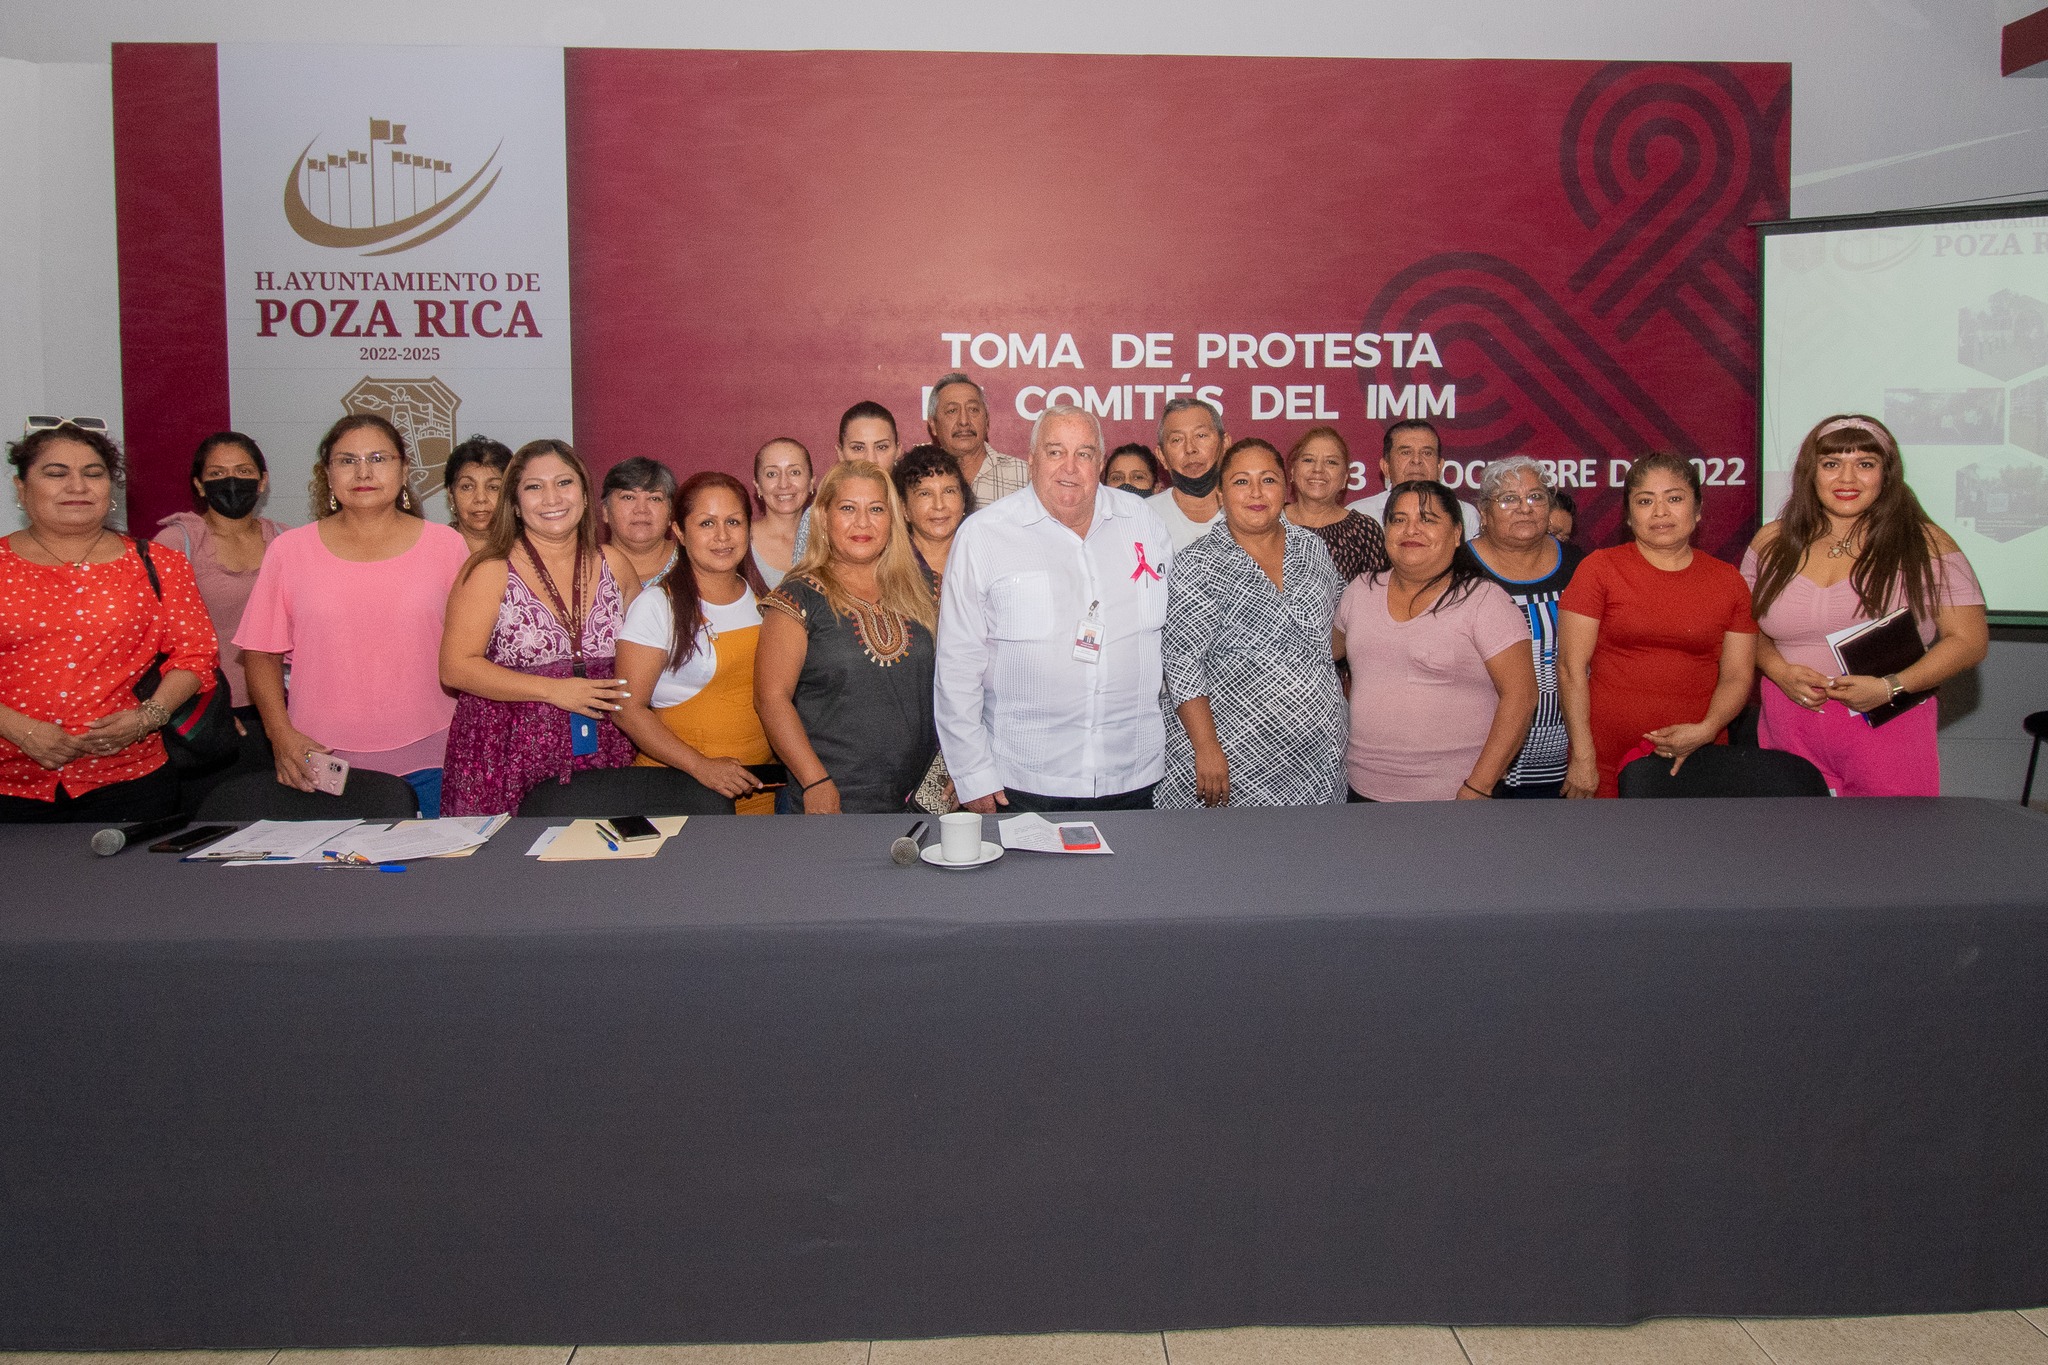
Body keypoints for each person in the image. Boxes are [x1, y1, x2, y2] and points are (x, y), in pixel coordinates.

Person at [935, 404, 1175, 813]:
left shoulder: (1144, 523)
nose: (1070, 467)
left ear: (1100, 462)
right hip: (1024, 779)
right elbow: (957, 666)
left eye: (1084, 453)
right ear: (1031, 459)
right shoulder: (984, 536)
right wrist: (971, 773)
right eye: (1055, 452)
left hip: (1134, 774)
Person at [237, 414, 471, 816]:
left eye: (378, 458)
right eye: (347, 461)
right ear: (328, 474)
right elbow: (260, 653)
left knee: (436, 857)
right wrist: (280, 735)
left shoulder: (446, 546)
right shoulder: (290, 551)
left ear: (404, 470)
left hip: (437, 754)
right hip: (320, 758)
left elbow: (472, 651)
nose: (363, 472)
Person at [1742, 413, 1988, 795]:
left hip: (1888, 723)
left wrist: (1891, 687)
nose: (1847, 479)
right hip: (1789, 722)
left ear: (1886, 475)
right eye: (1831, 464)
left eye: (1865, 464)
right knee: (1792, 832)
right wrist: (1779, 671)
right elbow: (1742, 627)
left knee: (1890, 833)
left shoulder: (1925, 542)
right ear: (1810, 473)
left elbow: (1969, 641)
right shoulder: (1772, 541)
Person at [0, 423, 218, 822]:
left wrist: (148, 717)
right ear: (21, 487)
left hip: (131, 782)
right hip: (9, 785)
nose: (77, 486)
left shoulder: (159, 564)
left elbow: (196, 655)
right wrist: (18, 729)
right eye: (56, 473)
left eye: (93, 473)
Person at [439, 440, 641, 816]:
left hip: (605, 749)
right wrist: (553, 691)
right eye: (534, 487)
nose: (552, 498)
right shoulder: (489, 570)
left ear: (585, 495)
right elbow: (455, 668)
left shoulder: (615, 564)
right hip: (504, 757)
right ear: (515, 504)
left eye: (564, 482)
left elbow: (645, 655)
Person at [1158, 438, 1346, 809]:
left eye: (1268, 480)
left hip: (1317, 759)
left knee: (1314, 848)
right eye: (1241, 481)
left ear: (1286, 489)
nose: (1256, 492)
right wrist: (1206, 747)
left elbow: (1337, 629)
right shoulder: (1198, 563)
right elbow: (1181, 662)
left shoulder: (1312, 548)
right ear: (1220, 494)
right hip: (1231, 760)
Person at [1558, 452, 1758, 799]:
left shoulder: (1729, 580)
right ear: (1628, 515)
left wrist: (1707, 730)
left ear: (1698, 509)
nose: (1660, 512)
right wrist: (1583, 757)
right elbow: (1570, 668)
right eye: (1645, 501)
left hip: (1699, 754)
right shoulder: (1599, 569)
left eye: (1674, 499)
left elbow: (1738, 676)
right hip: (1602, 760)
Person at [755, 459, 939, 813]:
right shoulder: (797, 597)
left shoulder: (929, 589)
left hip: (922, 799)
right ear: (824, 517)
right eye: (848, 508)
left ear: (893, 518)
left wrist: (955, 767)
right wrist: (814, 781)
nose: (863, 522)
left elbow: (961, 682)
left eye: (876, 509)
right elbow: (771, 700)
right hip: (834, 798)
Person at [1337, 481, 1535, 801]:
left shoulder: (1484, 600)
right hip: (1361, 790)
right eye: (1398, 519)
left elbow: (1521, 697)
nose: (1411, 529)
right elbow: (1321, 655)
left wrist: (1479, 786)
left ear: (1456, 533)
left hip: (1455, 797)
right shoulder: (1360, 591)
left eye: (1427, 519)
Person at [614, 472, 776, 814]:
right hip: (679, 792)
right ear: (679, 532)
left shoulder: (766, 602)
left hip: (760, 793)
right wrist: (701, 766)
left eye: (733, 521)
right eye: (706, 523)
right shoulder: (657, 605)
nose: (722, 536)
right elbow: (627, 710)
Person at [153, 431, 284, 766]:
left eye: (243, 471)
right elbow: (153, 639)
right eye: (217, 473)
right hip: (207, 711)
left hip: (284, 708)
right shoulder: (175, 544)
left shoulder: (287, 541)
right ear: (199, 485)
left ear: (262, 481)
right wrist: (206, 706)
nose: (231, 481)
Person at [1467, 456, 1585, 798]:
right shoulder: (1458, 568)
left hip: (1565, 759)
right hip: (1475, 759)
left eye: (1536, 497)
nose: (1524, 508)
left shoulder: (1580, 566)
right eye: (1508, 499)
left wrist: (1584, 754)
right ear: (1484, 512)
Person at [792, 402, 905, 561]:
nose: (870, 459)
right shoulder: (818, 514)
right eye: (858, 448)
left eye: (881, 447)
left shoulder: (915, 508)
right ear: (840, 453)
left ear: (898, 450)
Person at [1283, 425, 1387, 580]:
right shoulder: (1270, 522)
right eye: (1308, 460)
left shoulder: (1364, 531)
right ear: (1292, 471)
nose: (1318, 469)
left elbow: (1379, 591)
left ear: (1345, 478)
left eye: (1331, 462)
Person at [1346, 419, 1481, 536]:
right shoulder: (1359, 515)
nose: (1416, 460)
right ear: (1386, 467)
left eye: (1427, 453)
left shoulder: (1465, 514)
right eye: (1406, 452)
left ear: (1439, 467)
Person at [928, 372, 1030, 506]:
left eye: (973, 410)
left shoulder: (1024, 476)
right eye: (952, 411)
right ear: (933, 425)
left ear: (987, 421)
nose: (964, 421)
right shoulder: (920, 477)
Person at [1149, 396, 1226, 550]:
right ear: (1161, 456)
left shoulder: (1251, 511)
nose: (1190, 449)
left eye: (1201, 435)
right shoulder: (1145, 516)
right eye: (1177, 440)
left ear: (1225, 444)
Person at [893, 443, 975, 583]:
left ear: (963, 501)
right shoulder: (887, 566)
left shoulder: (981, 558)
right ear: (903, 508)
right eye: (925, 494)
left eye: (949, 491)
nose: (939, 505)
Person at [601, 456, 679, 587]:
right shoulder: (586, 570)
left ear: (670, 513)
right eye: (628, 497)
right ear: (605, 511)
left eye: (654, 498)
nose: (641, 510)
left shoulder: (694, 563)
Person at [750, 436, 812, 588]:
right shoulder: (740, 541)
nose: (784, 484)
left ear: (811, 483)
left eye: (795, 472)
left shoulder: (830, 542)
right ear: (758, 486)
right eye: (772, 474)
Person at [445, 435, 512, 554]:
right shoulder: (433, 548)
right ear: (451, 496)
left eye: (493, 487)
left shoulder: (527, 554)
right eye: (467, 487)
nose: (480, 498)